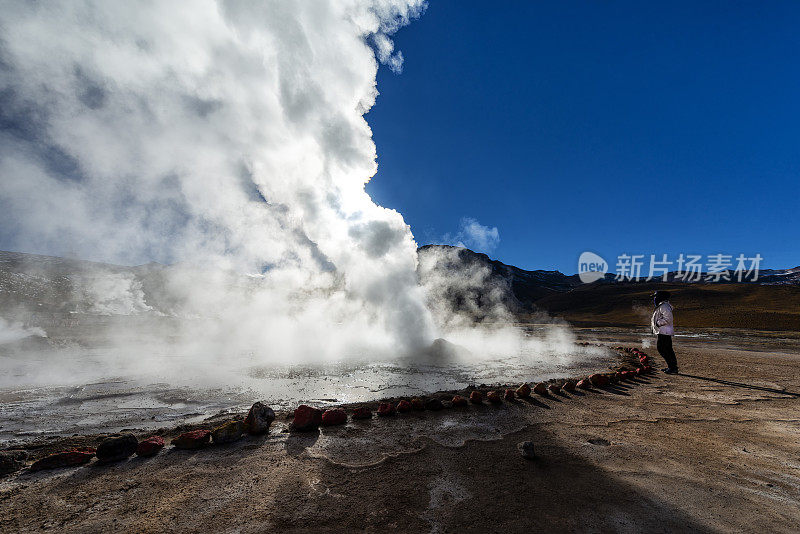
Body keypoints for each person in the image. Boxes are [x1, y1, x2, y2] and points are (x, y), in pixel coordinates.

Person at [651, 290, 678, 374]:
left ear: (660, 297)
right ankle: (672, 367)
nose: (654, 299)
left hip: (664, 331)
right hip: (663, 331)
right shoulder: (662, 306)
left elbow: (668, 319)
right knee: (667, 349)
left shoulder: (664, 306)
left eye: (656, 297)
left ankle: (672, 368)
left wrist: (658, 323)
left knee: (662, 349)